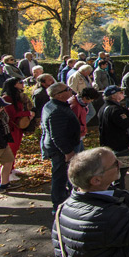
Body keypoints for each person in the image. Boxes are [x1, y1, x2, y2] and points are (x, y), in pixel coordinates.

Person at [40, 83, 81, 211]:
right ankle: (58, 205)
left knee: (64, 176)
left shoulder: (53, 105)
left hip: (63, 147)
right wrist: (68, 152)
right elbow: (57, 136)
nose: (70, 90)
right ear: (59, 95)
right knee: (60, 177)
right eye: (67, 89)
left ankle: (66, 200)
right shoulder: (57, 110)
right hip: (61, 150)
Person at [98, 85, 129, 190]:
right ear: (114, 96)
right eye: (120, 92)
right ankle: (120, 193)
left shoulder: (104, 108)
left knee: (115, 171)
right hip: (118, 144)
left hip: (109, 143)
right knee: (120, 172)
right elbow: (125, 124)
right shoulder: (115, 110)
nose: (122, 94)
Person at [1, 77, 34, 181]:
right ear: (14, 85)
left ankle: (12, 168)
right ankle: (8, 173)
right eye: (20, 82)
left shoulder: (16, 96)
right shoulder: (6, 98)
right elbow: (12, 114)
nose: (22, 84)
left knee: (15, 148)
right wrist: (27, 113)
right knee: (11, 149)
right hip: (11, 127)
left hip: (17, 127)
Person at [68, 87, 101, 153]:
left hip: (79, 133)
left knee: (81, 152)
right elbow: (74, 122)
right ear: (86, 98)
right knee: (77, 154)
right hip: (76, 134)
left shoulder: (81, 103)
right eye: (91, 100)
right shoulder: (76, 106)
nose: (91, 102)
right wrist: (81, 128)